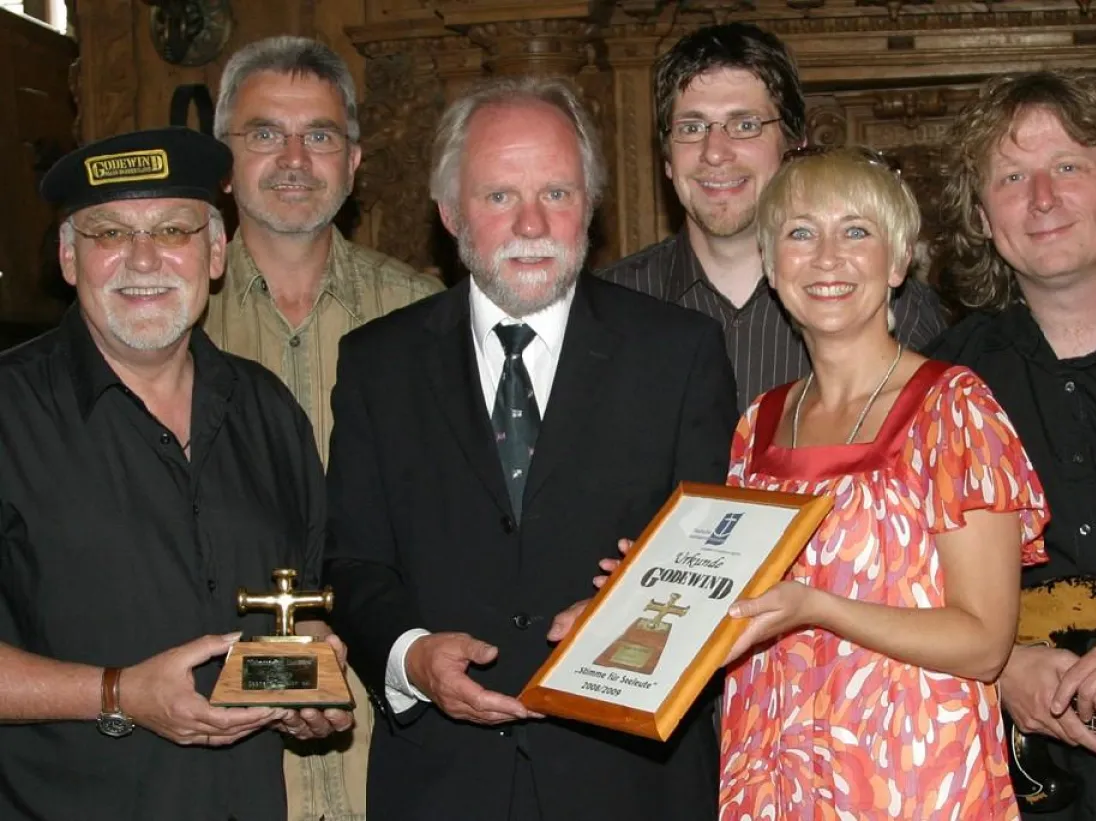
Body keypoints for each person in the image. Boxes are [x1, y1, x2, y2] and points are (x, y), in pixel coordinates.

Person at [322, 75, 738, 820]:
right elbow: (353, 559)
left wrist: (623, 621)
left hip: (628, 782)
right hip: (441, 784)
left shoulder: (679, 353)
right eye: (499, 197)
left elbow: (714, 563)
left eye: (557, 192)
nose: (532, 223)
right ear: (451, 213)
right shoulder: (376, 365)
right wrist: (410, 655)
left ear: (590, 207)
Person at [0, 127, 349, 820]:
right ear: (69, 258)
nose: (143, 259)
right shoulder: (9, 413)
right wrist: (118, 692)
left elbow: (298, 603)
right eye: (107, 234)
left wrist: (306, 680)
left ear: (216, 252)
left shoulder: (268, 411)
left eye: (173, 230)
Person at [717, 147, 1049, 819]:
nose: (827, 257)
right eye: (801, 232)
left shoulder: (954, 408)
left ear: (898, 263)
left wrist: (820, 606)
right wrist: (648, 594)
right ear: (772, 265)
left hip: (912, 778)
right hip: (776, 777)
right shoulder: (759, 423)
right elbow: (746, 602)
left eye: (857, 231)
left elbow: (985, 643)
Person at [927, 70, 1096, 820]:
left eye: (1068, 166)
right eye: (1011, 177)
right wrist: (997, 665)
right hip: (1014, 790)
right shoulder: (938, 384)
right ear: (982, 217)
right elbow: (899, 581)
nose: (1041, 199)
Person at [205, 35, 442, 821]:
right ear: (227, 157)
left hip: (401, 732)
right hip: (220, 736)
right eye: (265, 133)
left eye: (321, 135)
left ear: (356, 158)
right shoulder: (172, 324)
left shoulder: (426, 313)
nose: (295, 158)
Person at [598, 22, 946, 410]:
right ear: (666, 157)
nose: (715, 152)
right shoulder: (605, 309)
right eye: (691, 127)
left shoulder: (888, 302)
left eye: (745, 125)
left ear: (795, 147)